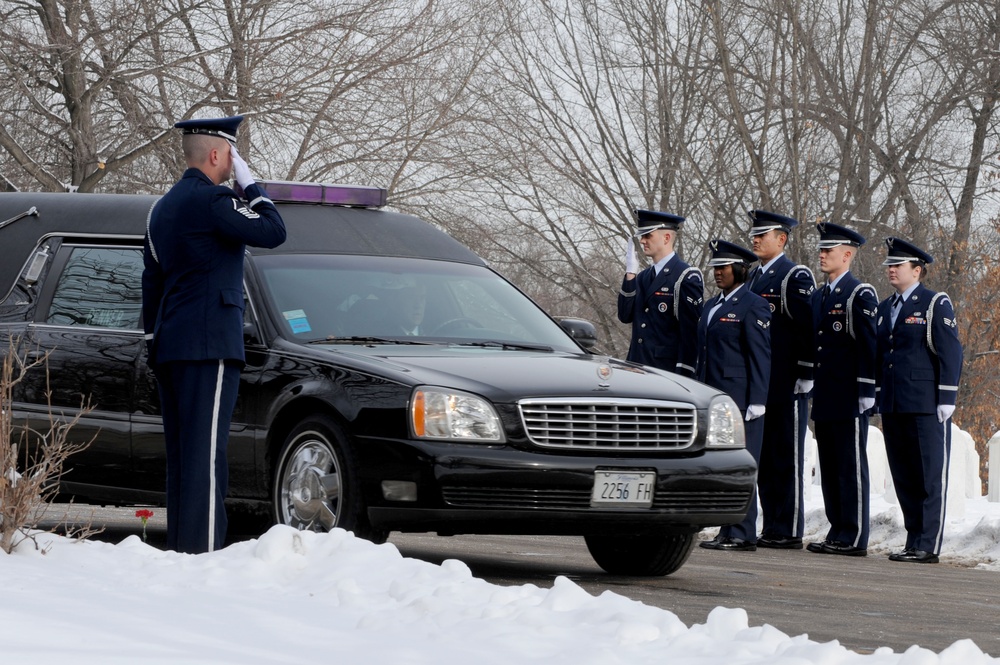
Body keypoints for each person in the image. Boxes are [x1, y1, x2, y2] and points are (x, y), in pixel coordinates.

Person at [142, 115, 287, 554]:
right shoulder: (213, 201)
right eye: (233, 157)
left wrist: (154, 341)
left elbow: (152, 284)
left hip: (171, 344)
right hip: (209, 346)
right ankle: (201, 554)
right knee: (206, 457)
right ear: (216, 154)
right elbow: (274, 231)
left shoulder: (160, 208)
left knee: (185, 458)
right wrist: (253, 187)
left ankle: (183, 550)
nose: (233, 166)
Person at [875, 237, 963, 564]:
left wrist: (947, 396)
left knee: (928, 476)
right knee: (905, 475)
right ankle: (913, 540)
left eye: (897, 265)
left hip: (926, 403)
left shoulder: (933, 303)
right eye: (889, 265)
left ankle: (928, 544)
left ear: (917, 270)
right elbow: (883, 356)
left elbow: (951, 352)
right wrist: (879, 395)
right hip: (895, 403)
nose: (891, 270)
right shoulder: (886, 308)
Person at [745, 209, 816, 549]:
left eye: (763, 234)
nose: (755, 239)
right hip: (763, 383)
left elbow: (807, 329)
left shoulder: (794, 276)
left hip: (788, 382)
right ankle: (771, 524)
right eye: (754, 234)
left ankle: (787, 529)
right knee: (767, 457)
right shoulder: (754, 278)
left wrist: (805, 372)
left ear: (782, 239)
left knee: (786, 457)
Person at [807, 223, 878, 557]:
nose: (822, 255)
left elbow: (868, 345)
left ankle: (854, 535)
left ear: (847, 254)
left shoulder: (858, 294)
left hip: (849, 394)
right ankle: (838, 530)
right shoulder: (821, 295)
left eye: (828, 251)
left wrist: (867, 388)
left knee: (850, 468)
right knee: (831, 468)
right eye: (821, 250)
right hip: (826, 394)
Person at [696, 240, 771, 552]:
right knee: (721, 466)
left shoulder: (754, 304)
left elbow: (760, 354)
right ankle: (727, 530)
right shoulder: (712, 305)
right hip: (713, 396)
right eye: (715, 267)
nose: (718, 273)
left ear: (740, 269)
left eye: (724, 267)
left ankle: (742, 532)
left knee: (742, 465)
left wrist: (758, 398)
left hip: (741, 397)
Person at [617, 209, 704, 377]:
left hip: (665, 371)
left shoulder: (685, 276)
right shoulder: (643, 277)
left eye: (648, 236)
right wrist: (630, 275)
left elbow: (690, 334)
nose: (642, 241)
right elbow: (624, 315)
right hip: (636, 367)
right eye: (642, 236)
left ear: (666, 238)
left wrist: (684, 375)